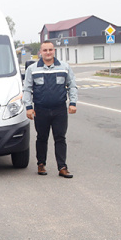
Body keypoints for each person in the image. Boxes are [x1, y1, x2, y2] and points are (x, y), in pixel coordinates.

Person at [22, 41, 78, 178]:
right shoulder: (33, 69)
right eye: (45, 50)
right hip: (41, 110)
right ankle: (41, 164)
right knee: (42, 138)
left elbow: (72, 85)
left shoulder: (64, 67)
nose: (48, 52)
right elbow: (27, 89)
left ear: (54, 51)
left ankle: (62, 167)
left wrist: (73, 103)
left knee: (60, 138)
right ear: (40, 52)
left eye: (50, 50)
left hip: (59, 110)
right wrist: (28, 107)